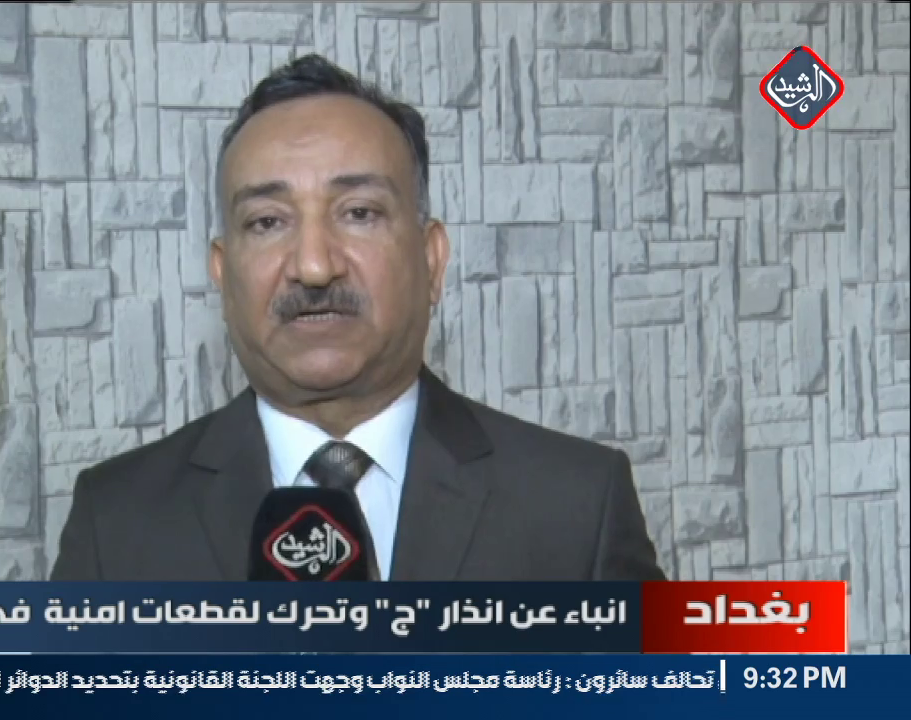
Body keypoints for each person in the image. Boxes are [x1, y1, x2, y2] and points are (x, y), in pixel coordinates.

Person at [50, 55, 666, 582]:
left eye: (359, 213)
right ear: (222, 273)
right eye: (267, 221)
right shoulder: (115, 524)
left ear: (431, 260)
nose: (314, 266)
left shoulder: (578, 508)